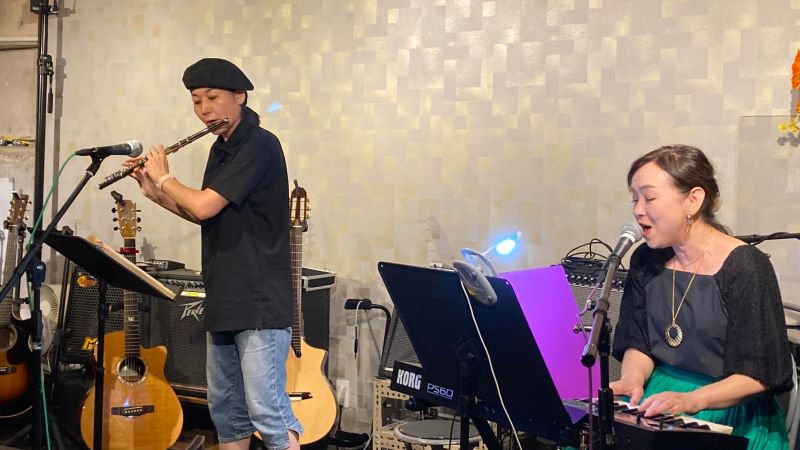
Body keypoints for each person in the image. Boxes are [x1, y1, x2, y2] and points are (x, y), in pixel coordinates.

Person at [129, 57, 303, 450]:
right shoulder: (219, 150)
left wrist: (165, 176)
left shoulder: (260, 144)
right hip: (225, 296)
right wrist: (153, 191)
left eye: (212, 98)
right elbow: (200, 213)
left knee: (270, 414)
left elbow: (205, 204)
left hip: (258, 302)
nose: (204, 109)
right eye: (196, 101)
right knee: (227, 414)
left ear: (240, 96)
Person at [610, 144, 793, 449]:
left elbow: (761, 374)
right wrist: (633, 378)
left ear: (693, 200)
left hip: (731, 410)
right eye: (634, 198)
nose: (638, 210)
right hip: (662, 398)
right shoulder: (645, 259)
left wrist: (693, 400)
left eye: (649, 198)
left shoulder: (745, 265)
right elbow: (638, 342)